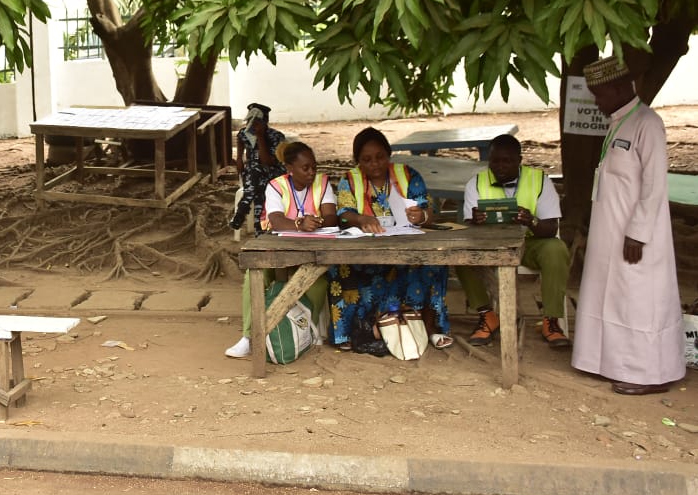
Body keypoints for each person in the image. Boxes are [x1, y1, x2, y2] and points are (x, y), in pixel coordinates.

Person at [571, 57, 685, 395]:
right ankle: (612, 364)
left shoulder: (647, 123)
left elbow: (654, 185)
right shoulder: (618, 122)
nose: (596, 102)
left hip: (637, 235)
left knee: (640, 301)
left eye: (599, 95)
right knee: (612, 297)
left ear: (620, 89)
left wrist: (637, 231)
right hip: (610, 232)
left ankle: (649, 375)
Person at [330, 127, 453, 350]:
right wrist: (360, 218)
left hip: (404, 246)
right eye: (366, 160)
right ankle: (350, 332)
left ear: (389, 155)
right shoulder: (350, 179)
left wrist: (421, 216)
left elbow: (426, 211)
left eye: (380, 157)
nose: (374, 164)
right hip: (366, 252)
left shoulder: (407, 175)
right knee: (340, 267)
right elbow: (343, 215)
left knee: (433, 262)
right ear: (358, 161)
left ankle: (429, 326)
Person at [225, 141, 337, 358]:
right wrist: (299, 224)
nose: (312, 172)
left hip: (311, 252)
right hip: (277, 251)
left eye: (314, 166)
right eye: (305, 168)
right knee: (253, 277)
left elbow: (332, 217)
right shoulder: (276, 186)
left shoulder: (323, 183)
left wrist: (318, 222)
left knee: (319, 282)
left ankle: (306, 332)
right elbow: (275, 220)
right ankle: (249, 336)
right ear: (289, 168)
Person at [459, 135, 571, 347]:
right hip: (492, 245)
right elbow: (470, 232)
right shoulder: (476, 183)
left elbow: (551, 228)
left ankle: (551, 321)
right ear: (489, 160)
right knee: (461, 254)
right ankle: (488, 316)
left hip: (530, 244)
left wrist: (532, 221)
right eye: (495, 161)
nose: (500, 167)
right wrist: (476, 222)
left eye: (507, 161)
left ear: (519, 160)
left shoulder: (540, 181)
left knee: (556, 249)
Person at [230, 103, 286, 237]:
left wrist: (260, 137)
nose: (251, 124)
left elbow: (268, 162)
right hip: (254, 178)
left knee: (257, 173)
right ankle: (259, 230)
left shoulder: (276, 136)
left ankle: (243, 208)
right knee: (258, 184)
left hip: (274, 175)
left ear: (264, 122)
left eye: (255, 121)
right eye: (249, 121)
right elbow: (240, 139)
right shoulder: (244, 134)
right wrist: (238, 159)